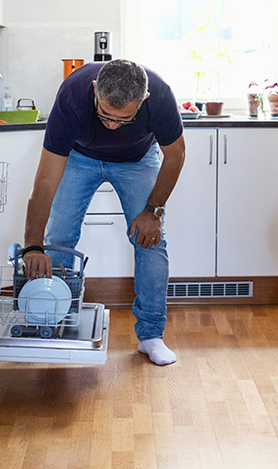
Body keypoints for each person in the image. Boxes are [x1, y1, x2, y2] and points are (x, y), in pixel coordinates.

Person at [22, 59, 186, 366]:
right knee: (59, 237)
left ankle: (151, 336)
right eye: (104, 115)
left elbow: (176, 155)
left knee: (150, 240)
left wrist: (153, 211)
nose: (111, 125)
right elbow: (45, 182)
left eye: (123, 120)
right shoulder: (71, 97)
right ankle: (53, 325)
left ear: (144, 100)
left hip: (137, 158)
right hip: (80, 156)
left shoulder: (160, 95)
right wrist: (33, 244)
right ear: (95, 90)